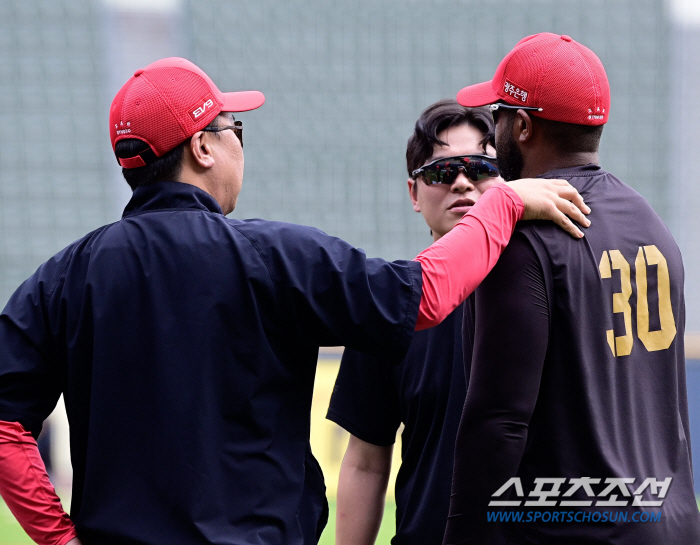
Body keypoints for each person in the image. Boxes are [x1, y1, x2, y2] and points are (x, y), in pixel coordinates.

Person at [0, 57, 589, 545]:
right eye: (234, 130)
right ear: (203, 146)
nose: (238, 145)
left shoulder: (63, 278)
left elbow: (4, 422)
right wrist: (503, 204)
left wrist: (58, 539)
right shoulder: (275, 255)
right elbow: (426, 296)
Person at [444, 33, 700, 545]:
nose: (493, 135)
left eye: (498, 116)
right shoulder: (650, 224)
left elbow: (499, 421)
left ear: (522, 125)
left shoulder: (526, 238)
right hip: (670, 522)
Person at [327, 99, 499, 545]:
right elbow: (366, 460)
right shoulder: (385, 305)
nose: (462, 182)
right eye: (442, 173)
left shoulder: (560, 288)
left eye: (480, 167)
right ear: (413, 194)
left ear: (508, 184)